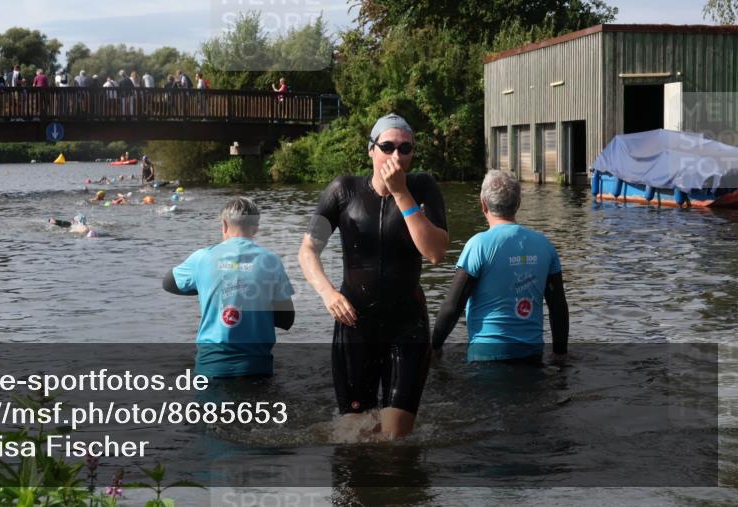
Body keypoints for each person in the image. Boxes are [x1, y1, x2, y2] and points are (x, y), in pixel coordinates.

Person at [298, 114, 448, 439]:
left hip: (406, 326)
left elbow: (436, 253)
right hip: (355, 325)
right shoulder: (342, 191)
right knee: (356, 438)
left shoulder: (422, 187)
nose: (396, 156)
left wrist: (402, 195)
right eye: (388, 146)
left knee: (395, 440)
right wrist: (327, 293)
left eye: (405, 149)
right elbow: (308, 250)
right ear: (371, 149)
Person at [432, 170, 568, 363]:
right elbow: (558, 306)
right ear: (518, 204)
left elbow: (453, 306)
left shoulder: (478, 245)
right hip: (532, 355)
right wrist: (560, 352)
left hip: (486, 357)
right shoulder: (545, 245)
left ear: (483, 204)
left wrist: (435, 345)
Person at [163, 197, 295, 378]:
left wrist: (208, 288)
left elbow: (168, 283)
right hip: (257, 365)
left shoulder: (202, 257)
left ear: (224, 225)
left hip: (211, 365)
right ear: (256, 228)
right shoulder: (271, 261)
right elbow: (287, 319)